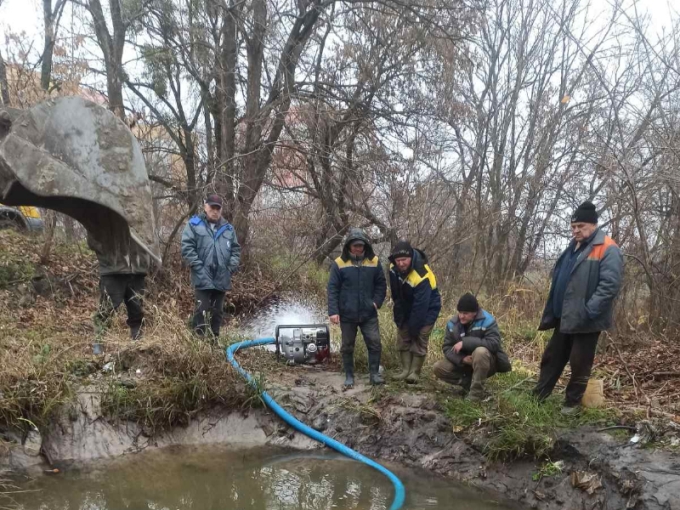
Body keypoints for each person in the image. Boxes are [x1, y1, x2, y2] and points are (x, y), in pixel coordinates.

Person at [533, 201, 623, 414]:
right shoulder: (573, 247)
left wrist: (588, 311)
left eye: (580, 226)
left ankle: (572, 404)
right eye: (573, 227)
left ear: (593, 225)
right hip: (564, 316)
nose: (576, 230)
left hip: (586, 320)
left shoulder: (608, 248)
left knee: (579, 363)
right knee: (552, 358)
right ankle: (539, 396)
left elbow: (609, 286)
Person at [327, 228, 387, 388]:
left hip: (369, 313)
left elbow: (381, 284)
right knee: (347, 346)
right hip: (347, 313)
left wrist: (376, 302)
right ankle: (349, 376)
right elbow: (333, 288)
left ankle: (374, 375)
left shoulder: (374, 261)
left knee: (374, 343)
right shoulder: (339, 264)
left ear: (365, 245)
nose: (358, 248)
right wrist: (333, 311)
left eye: (361, 245)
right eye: (355, 246)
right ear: (349, 246)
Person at [181, 194, 241, 339]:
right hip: (202, 276)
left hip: (221, 276)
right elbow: (187, 247)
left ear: (221, 210)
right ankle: (199, 341)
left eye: (218, 208)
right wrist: (198, 266)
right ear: (205, 207)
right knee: (201, 310)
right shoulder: (194, 224)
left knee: (217, 312)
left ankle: (214, 341)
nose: (215, 211)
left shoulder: (228, 229)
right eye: (212, 207)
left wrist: (230, 268)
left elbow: (235, 250)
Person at [433, 293, 512, 400]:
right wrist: (462, 359)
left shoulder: (488, 321)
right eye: (460, 312)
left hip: (486, 362)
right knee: (438, 367)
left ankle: (476, 394)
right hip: (464, 363)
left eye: (465, 313)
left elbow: (494, 344)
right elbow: (447, 347)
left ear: (474, 313)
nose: (461, 316)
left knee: (480, 352)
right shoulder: (452, 323)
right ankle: (467, 383)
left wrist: (465, 343)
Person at [389, 241, 442, 383]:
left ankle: (414, 373)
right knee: (403, 336)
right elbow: (396, 294)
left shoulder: (422, 273)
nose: (400, 263)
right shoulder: (393, 268)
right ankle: (405, 370)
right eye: (398, 260)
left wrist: (413, 327)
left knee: (419, 337)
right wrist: (399, 316)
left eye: (404, 260)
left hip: (427, 307)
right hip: (405, 305)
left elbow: (421, 306)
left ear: (411, 258)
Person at [89, 227, 150, 349]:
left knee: (137, 311)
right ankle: (98, 347)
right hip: (113, 271)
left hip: (137, 271)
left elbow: (149, 238)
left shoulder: (138, 213)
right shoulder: (104, 214)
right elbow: (93, 240)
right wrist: (110, 255)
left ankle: (137, 345)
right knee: (105, 311)